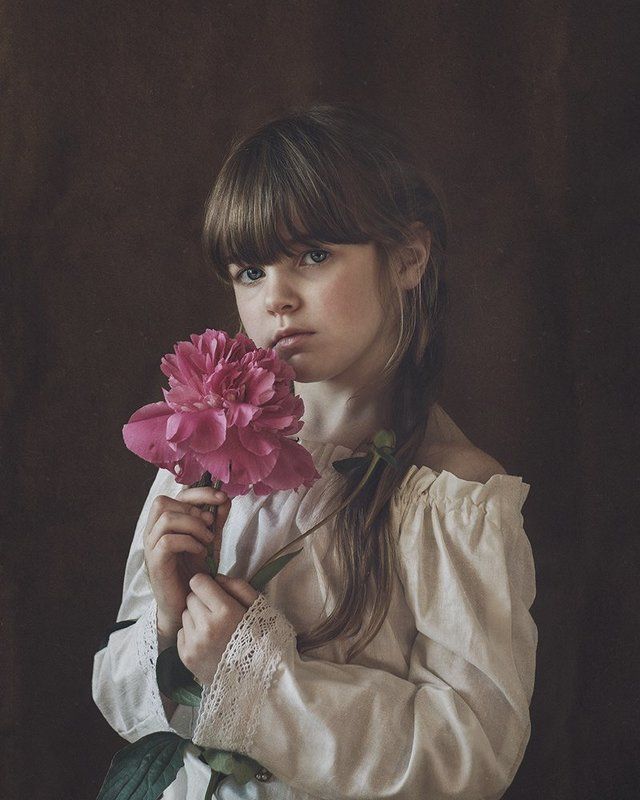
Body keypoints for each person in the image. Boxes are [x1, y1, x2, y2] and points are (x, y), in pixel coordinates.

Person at [92, 103, 537, 799]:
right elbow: (123, 702)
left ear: (408, 258)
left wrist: (262, 680)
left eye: (314, 256)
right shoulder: (205, 451)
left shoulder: (453, 495)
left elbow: (469, 758)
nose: (277, 298)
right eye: (250, 271)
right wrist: (170, 624)